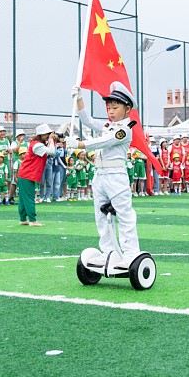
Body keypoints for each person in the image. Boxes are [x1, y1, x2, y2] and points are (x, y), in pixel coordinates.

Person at [73, 82, 141, 268]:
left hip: (116, 175)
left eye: (115, 107)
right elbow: (86, 119)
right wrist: (78, 98)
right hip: (100, 174)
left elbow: (105, 141)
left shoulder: (125, 129)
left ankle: (130, 253)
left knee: (124, 215)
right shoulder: (107, 125)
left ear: (127, 109)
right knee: (101, 216)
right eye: (109, 107)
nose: (110, 111)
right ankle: (108, 251)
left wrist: (79, 144)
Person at [15, 124, 56, 226]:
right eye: (47, 134)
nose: (48, 136)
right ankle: (32, 220)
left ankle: (23, 219)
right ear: (41, 135)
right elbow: (52, 152)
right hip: (27, 174)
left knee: (23, 198)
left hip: (26, 174)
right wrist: (51, 140)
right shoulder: (37, 145)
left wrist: (50, 140)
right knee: (29, 197)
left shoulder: (36, 144)